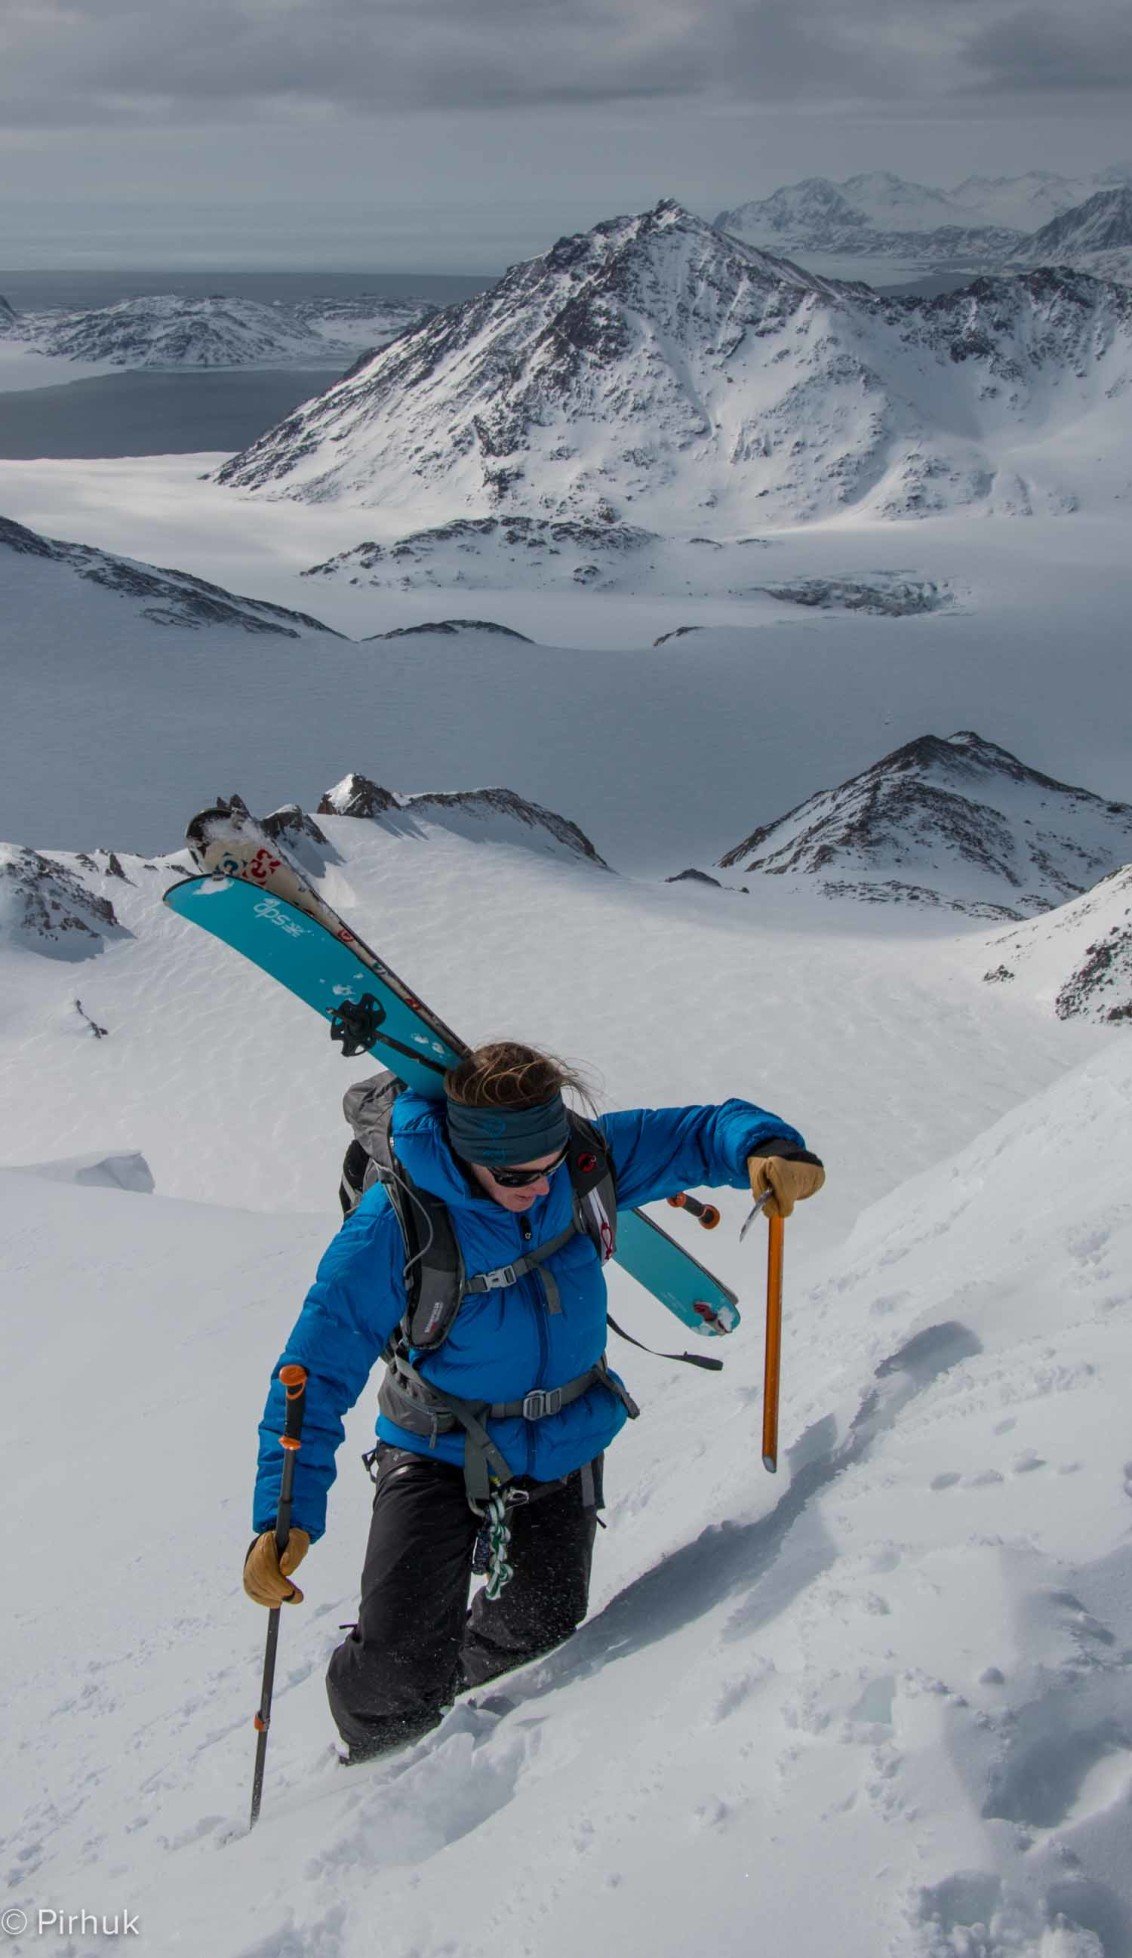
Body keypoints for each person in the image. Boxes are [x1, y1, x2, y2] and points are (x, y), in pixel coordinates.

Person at [243, 1041, 824, 1762]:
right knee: (395, 1675)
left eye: (549, 1168)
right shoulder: (392, 1224)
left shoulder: (582, 1165)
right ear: (467, 1156)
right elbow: (313, 1373)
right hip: (436, 1447)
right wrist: (285, 1517)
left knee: (539, 1624)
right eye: (517, 1176)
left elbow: (699, 1132)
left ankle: (461, 1715)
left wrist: (765, 1147)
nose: (542, 1188)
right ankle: (366, 1773)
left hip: (563, 1439)